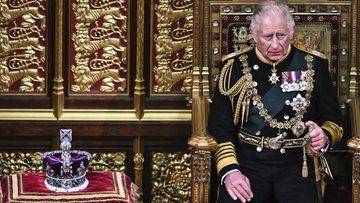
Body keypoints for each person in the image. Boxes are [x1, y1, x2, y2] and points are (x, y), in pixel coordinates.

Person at [208, 1, 344, 203]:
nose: (275, 44)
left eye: (281, 36)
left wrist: (323, 137)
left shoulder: (314, 65)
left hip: (298, 165)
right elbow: (220, 126)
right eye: (267, 36)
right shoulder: (233, 68)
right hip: (248, 162)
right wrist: (230, 170)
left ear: (291, 33)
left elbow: (334, 121)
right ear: (254, 34)